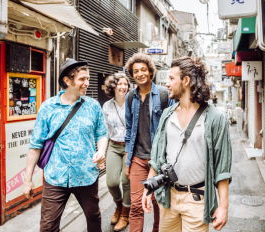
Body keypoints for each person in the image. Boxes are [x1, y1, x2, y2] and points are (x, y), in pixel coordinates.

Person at [142, 56, 232, 232]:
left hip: (197, 200)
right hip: (169, 197)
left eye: (171, 78)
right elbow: (157, 156)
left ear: (186, 80)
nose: (167, 83)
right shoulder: (167, 114)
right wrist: (149, 188)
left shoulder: (215, 118)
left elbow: (223, 168)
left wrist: (223, 206)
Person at [22, 59, 108, 232]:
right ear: (67, 81)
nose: (87, 83)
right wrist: (28, 180)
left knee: (93, 216)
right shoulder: (48, 108)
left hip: (86, 174)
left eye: (88, 78)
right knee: (47, 226)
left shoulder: (93, 106)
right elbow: (35, 145)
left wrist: (101, 151)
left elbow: (102, 133)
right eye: (82, 79)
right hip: (55, 176)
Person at [124, 53, 175, 232]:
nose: (140, 74)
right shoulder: (130, 97)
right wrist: (127, 160)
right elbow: (129, 131)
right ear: (132, 74)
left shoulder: (163, 94)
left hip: (159, 160)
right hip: (137, 158)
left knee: (158, 204)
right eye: (136, 71)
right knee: (136, 205)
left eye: (143, 70)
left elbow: (171, 127)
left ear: (150, 71)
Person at [102, 73, 131, 231]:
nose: (123, 87)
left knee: (126, 181)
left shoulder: (133, 103)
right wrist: (102, 151)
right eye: (119, 84)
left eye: (125, 84)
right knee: (112, 182)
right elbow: (105, 131)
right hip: (113, 145)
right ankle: (118, 206)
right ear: (113, 87)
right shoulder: (107, 106)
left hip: (129, 146)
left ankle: (125, 214)